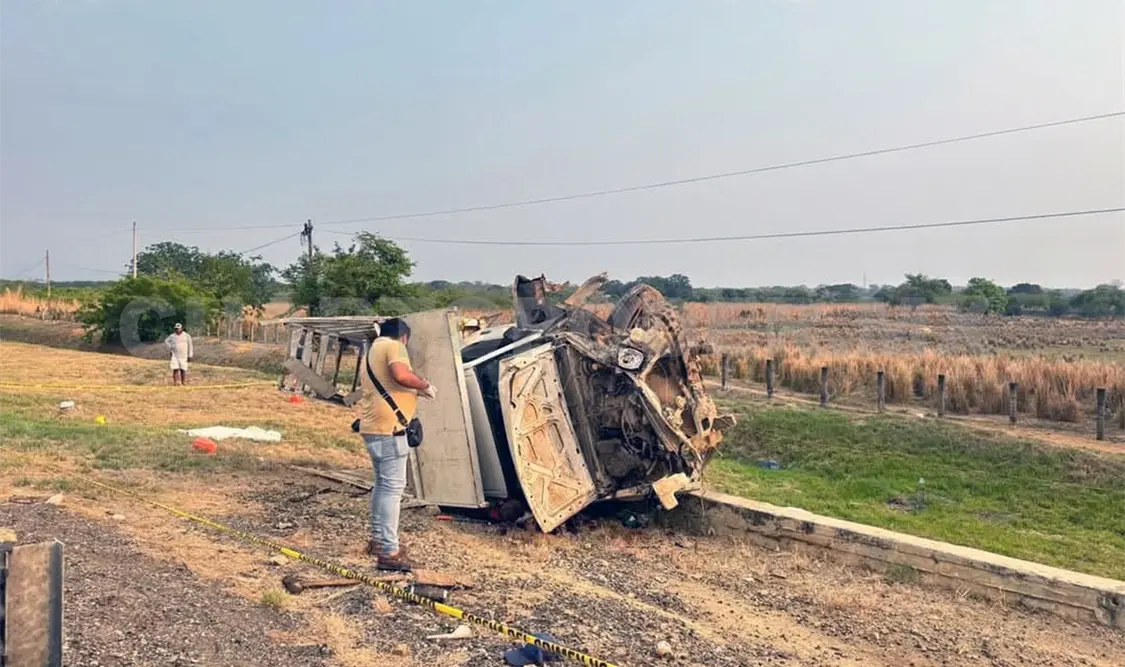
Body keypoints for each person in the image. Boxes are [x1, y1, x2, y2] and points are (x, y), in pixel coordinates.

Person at [358, 318, 437, 571]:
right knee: (392, 490)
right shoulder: (394, 346)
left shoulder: (372, 350)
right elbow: (401, 375)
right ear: (403, 337)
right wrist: (425, 385)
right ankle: (389, 552)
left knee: (383, 487)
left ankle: (380, 541)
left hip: (375, 427)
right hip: (390, 429)